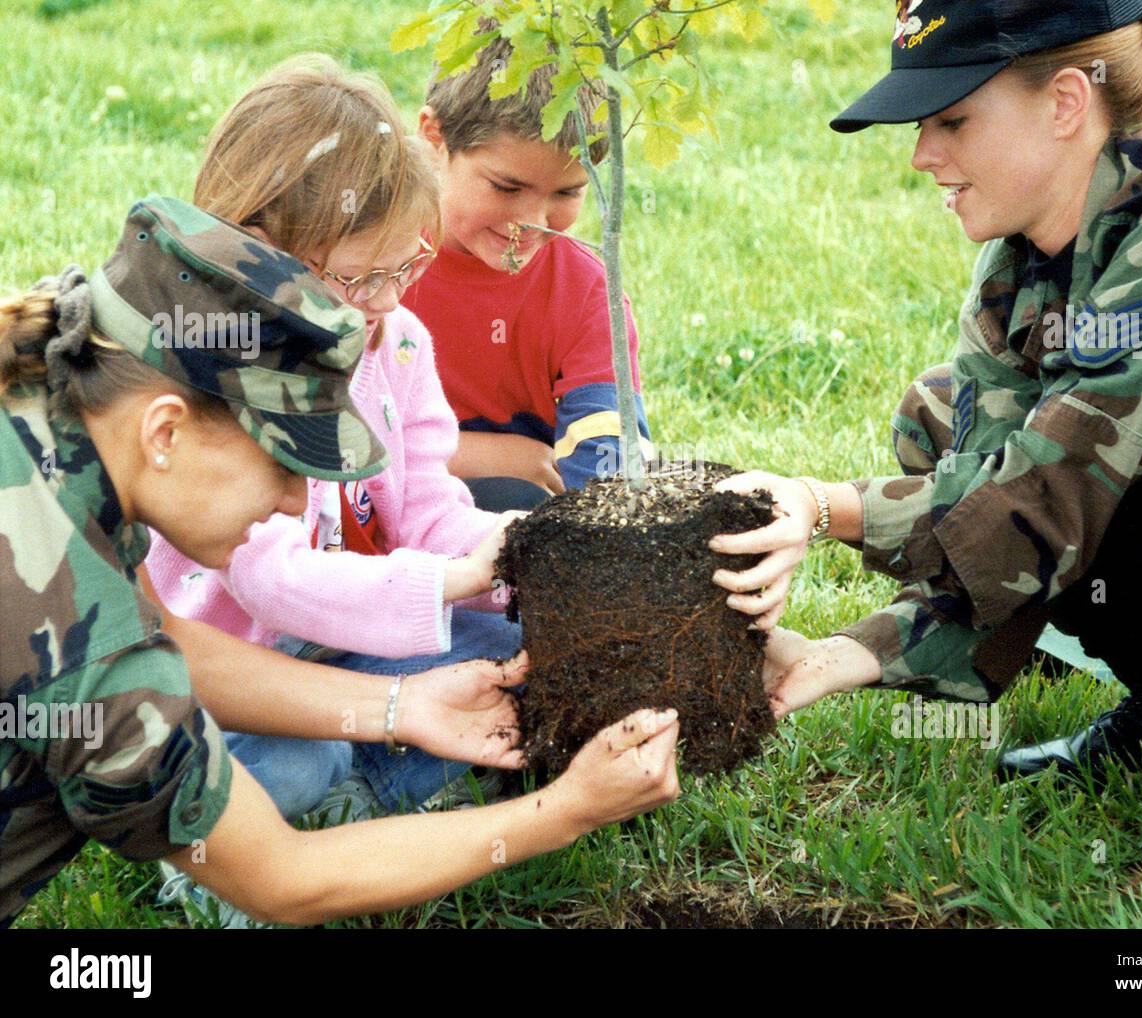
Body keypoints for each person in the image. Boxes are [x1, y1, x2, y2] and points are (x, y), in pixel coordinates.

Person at [714, 0, 1142, 920]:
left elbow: (1054, 492)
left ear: (1067, 102)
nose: (921, 156)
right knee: (940, 414)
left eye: (952, 121)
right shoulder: (1020, 254)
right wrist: (839, 653)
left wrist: (825, 510)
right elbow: (994, 489)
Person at [0, 194, 680, 928]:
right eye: (286, 465)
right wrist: (565, 809)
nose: (300, 503)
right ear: (165, 433)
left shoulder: (57, 387)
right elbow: (284, 878)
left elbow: (170, 638)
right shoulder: (86, 649)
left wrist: (401, 707)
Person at [144, 56, 526, 823]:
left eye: (404, 266)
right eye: (355, 279)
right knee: (294, 764)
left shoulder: (398, 343)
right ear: (257, 252)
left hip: (361, 640)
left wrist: (515, 553)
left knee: (517, 663)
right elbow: (271, 580)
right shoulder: (222, 369)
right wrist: (451, 583)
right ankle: (246, 850)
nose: (385, 301)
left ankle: (357, 805)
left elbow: (427, 510)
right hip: (236, 678)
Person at [403, 34, 653, 497]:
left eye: (566, 192)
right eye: (506, 188)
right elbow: (310, 427)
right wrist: (467, 454)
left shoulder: (584, 290)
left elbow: (611, 455)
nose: (533, 223)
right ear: (435, 137)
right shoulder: (363, 262)